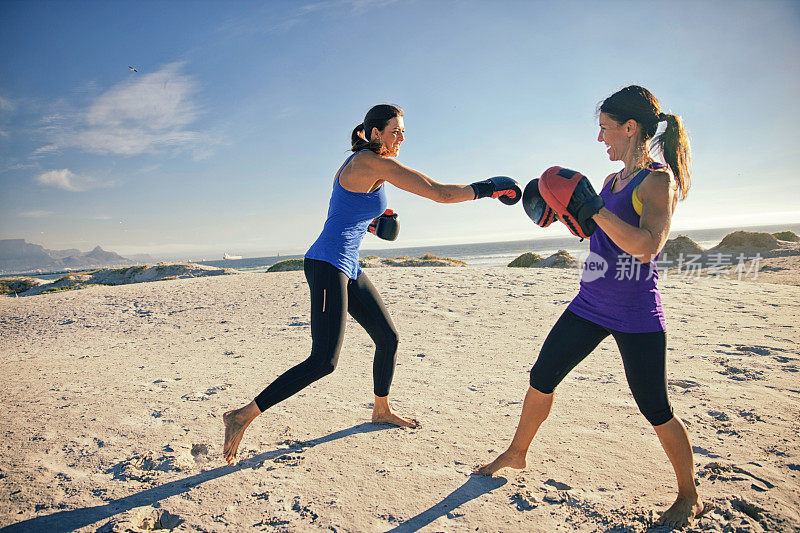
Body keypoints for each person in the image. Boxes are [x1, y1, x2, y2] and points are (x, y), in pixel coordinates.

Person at [224, 104, 520, 465]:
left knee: (388, 337)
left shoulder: (363, 164)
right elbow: (441, 193)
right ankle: (243, 415)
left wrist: (373, 226)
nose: (401, 137)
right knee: (323, 361)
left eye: (403, 131)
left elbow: (344, 212)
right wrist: (490, 188)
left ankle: (381, 409)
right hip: (326, 264)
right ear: (376, 133)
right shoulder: (374, 162)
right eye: (396, 130)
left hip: (347, 263)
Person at [476, 86, 704, 528]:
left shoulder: (658, 180)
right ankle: (517, 452)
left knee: (655, 406)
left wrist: (595, 210)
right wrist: (562, 214)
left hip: (635, 311)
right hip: (590, 301)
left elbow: (645, 247)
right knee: (542, 377)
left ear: (630, 128)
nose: (601, 139)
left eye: (605, 129)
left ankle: (689, 494)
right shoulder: (611, 181)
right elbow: (600, 234)